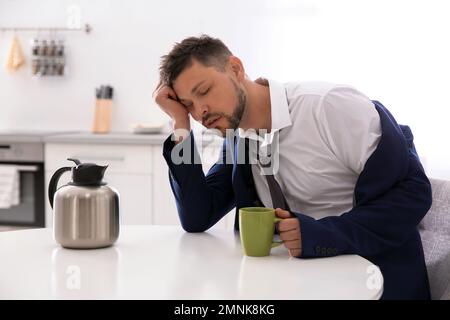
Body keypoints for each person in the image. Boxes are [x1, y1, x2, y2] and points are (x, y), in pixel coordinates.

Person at [153, 34, 432, 300]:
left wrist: (322, 235)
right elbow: (197, 216)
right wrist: (180, 125)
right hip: (297, 283)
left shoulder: (327, 107)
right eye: (189, 105)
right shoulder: (240, 136)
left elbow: (413, 193)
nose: (200, 111)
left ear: (235, 68)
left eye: (204, 91)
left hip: (374, 280)